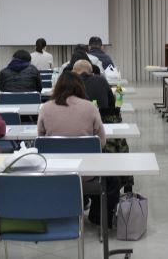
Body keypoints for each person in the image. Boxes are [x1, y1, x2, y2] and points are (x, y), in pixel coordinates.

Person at [37, 71, 110, 226]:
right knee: (112, 180)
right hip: (87, 175)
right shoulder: (90, 107)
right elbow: (101, 142)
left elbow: (40, 142)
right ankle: (97, 218)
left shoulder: (46, 108)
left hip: (52, 174)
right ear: (80, 87)